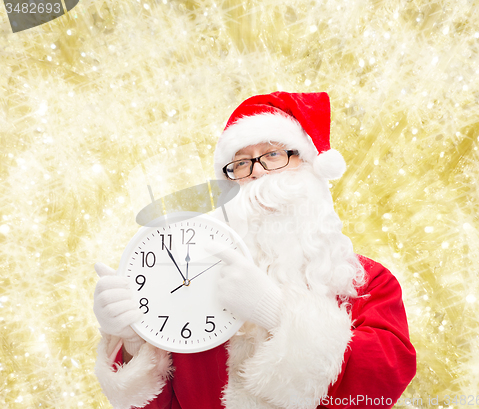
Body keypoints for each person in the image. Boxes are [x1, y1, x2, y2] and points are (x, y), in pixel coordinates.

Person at [93, 91, 417, 409]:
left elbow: (381, 384)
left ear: (309, 166)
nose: (258, 171)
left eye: (274, 155)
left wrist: (275, 313)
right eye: (242, 163)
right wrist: (134, 342)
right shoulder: (191, 286)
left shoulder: (368, 283)